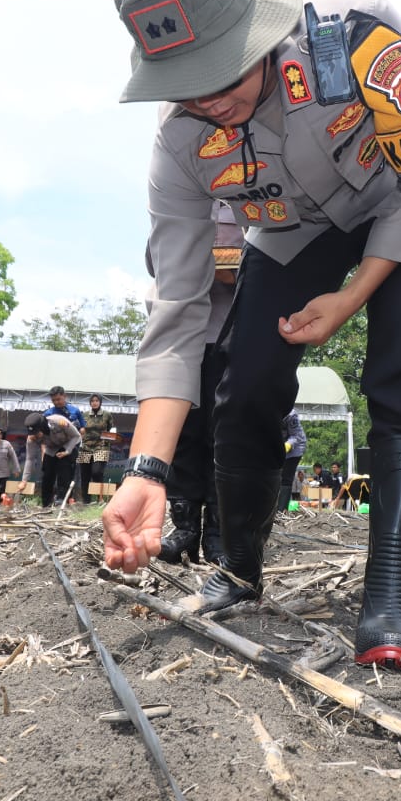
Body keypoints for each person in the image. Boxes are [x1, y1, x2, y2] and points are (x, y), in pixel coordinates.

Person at [101, 0, 401, 673]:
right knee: (247, 378)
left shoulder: (356, 37)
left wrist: (353, 298)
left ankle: (388, 601)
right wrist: (146, 473)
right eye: (185, 87)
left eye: (220, 74)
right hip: (294, 234)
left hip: (398, 205)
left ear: (258, 31)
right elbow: (178, 313)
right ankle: (238, 569)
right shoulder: (177, 145)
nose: (208, 103)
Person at [156, 200, 241, 566]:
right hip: (186, 336)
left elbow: (273, 265)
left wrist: (224, 266)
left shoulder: (254, 200)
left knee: (224, 436)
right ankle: (185, 529)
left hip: (235, 334)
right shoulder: (183, 201)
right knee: (185, 434)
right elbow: (156, 259)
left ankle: (219, 535)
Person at [25, 412, 81, 507]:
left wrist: (67, 451)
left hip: (69, 444)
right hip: (51, 448)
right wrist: (24, 480)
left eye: (36, 432)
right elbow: (29, 458)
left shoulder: (59, 421)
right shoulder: (32, 438)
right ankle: (46, 503)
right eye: (32, 433)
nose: (34, 435)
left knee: (64, 471)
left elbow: (76, 436)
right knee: (47, 474)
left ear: (43, 427)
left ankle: (61, 501)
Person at [76, 393, 116, 503]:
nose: (94, 402)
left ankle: (100, 498)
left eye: (97, 400)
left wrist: (109, 439)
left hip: (101, 447)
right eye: (92, 401)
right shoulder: (84, 415)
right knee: (85, 475)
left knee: (96, 472)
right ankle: (86, 501)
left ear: (100, 402)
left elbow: (111, 429)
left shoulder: (107, 415)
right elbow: (80, 428)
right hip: (85, 447)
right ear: (90, 403)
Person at [279, 408, 307, 511]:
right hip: (278, 446)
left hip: (295, 448)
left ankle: (281, 510)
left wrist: (288, 445)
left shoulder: (290, 414)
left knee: (286, 477)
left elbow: (297, 435)